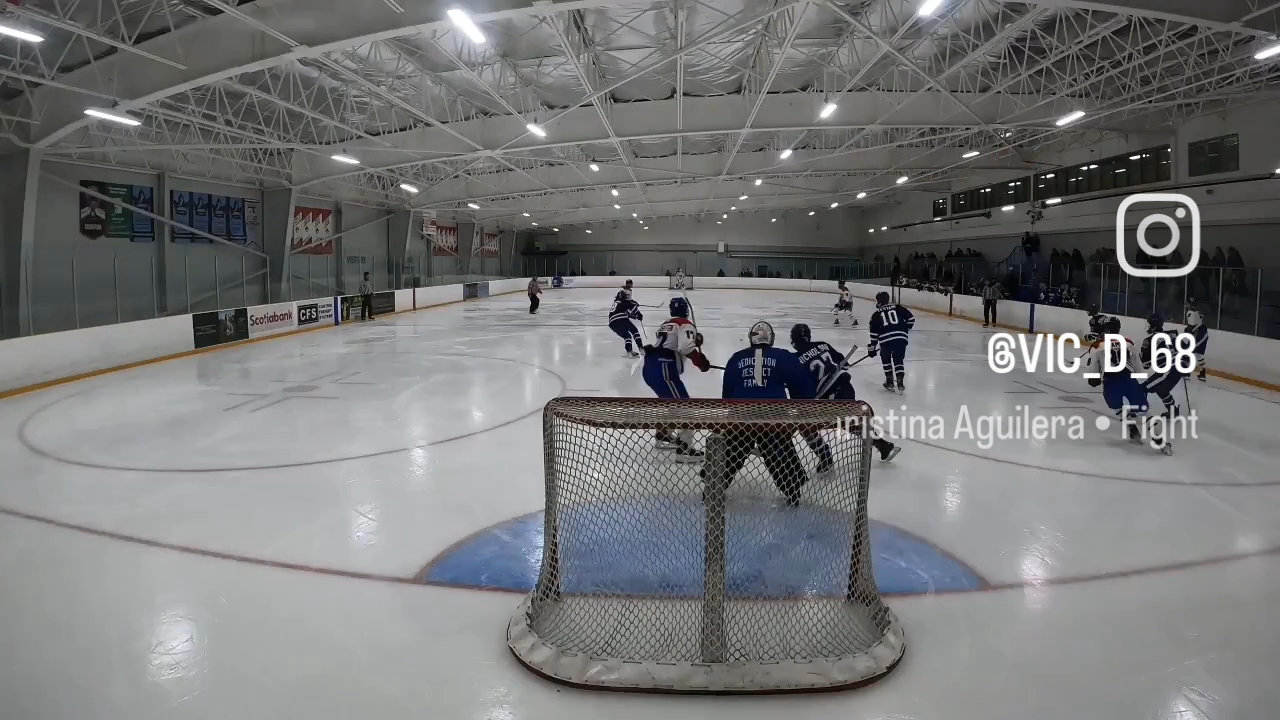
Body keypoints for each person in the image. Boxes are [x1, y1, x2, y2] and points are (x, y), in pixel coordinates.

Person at [718, 321, 816, 506]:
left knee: (731, 452)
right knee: (779, 451)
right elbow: (804, 390)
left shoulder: (736, 358)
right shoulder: (783, 356)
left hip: (742, 418)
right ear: (771, 339)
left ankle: (713, 485)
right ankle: (792, 490)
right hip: (774, 419)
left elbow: (727, 397)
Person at [790, 324, 900, 470]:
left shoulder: (796, 359)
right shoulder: (823, 345)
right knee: (849, 422)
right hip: (847, 390)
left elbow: (804, 390)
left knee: (805, 426)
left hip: (831, 397)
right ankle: (883, 446)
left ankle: (825, 457)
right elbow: (845, 364)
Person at [642, 297, 712, 460]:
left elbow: (672, 342)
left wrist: (695, 340)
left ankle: (663, 436)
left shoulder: (667, 323)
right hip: (664, 367)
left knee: (673, 405)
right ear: (686, 310)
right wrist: (701, 362)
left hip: (651, 366)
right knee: (685, 408)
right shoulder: (685, 324)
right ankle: (684, 450)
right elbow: (685, 346)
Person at [1085, 317, 1167, 454]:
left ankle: (1131, 426)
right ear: (1119, 329)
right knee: (1144, 412)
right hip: (1129, 380)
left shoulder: (1098, 346)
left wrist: (1094, 377)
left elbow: (1094, 377)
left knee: (1117, 406)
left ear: (1105, 329)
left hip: (1111, 383)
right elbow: (1139, 368)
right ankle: (1159, 440)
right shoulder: (1129, 343)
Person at [1140, 313, 1187, 418]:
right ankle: (1173, 412)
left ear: (1154, 325)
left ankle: (1140, 413)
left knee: (1143, 388)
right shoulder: (1173, 334)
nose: (1147, 326)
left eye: (1149, 324)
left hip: (1166, 372)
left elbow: (1145, 365)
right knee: (1161, 389)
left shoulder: (1149, 341)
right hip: (1179, 368)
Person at [868, 291, 914, 393]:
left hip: (886, 340)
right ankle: (900, 381)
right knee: (898, 359)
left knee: (886, 359)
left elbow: (874, 334)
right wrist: (904, 330)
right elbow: (911, 319)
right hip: (901, 338)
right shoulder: (898, 308)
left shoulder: (876, 314)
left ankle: (890, 381)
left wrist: (872, 348)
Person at [608, 289, 644, 357]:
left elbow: (628, 314)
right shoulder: (623, 301)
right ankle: (641, 348)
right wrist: (639, 315)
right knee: (634, 331)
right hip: (621, 319)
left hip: (612, 323)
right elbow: (633, 308)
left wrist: (635, 316)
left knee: (627, 336)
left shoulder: (616, 303)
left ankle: (629, 351)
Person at [1185, 307, 1208, 381]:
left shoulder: (1202, 329)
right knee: (1199, 356)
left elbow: (1201, 339)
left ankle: (1187, 373)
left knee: (1193, 355)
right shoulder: (1192, 326)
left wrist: (1192, 346)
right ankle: (1202, 374)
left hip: (1198, 342)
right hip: (1196, 341)